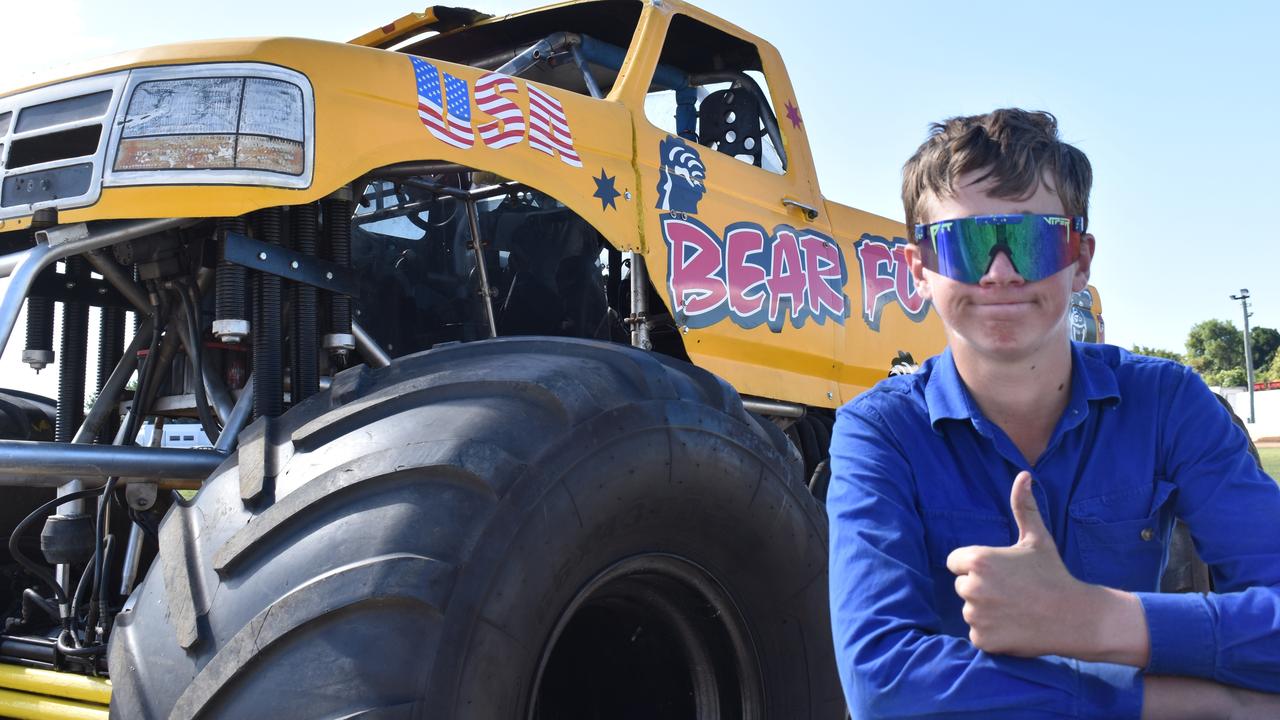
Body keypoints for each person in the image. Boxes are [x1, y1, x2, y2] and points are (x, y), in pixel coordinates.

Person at [827, 109, 1280, 718]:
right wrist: (1182, 704)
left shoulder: (1168, 402)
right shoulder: (878, 433)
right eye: (967, 244)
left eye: (1032, 239)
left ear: (1081, 259)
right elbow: (883, 684)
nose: (1001, 273)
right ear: (920, 269)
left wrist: (1094, 619)